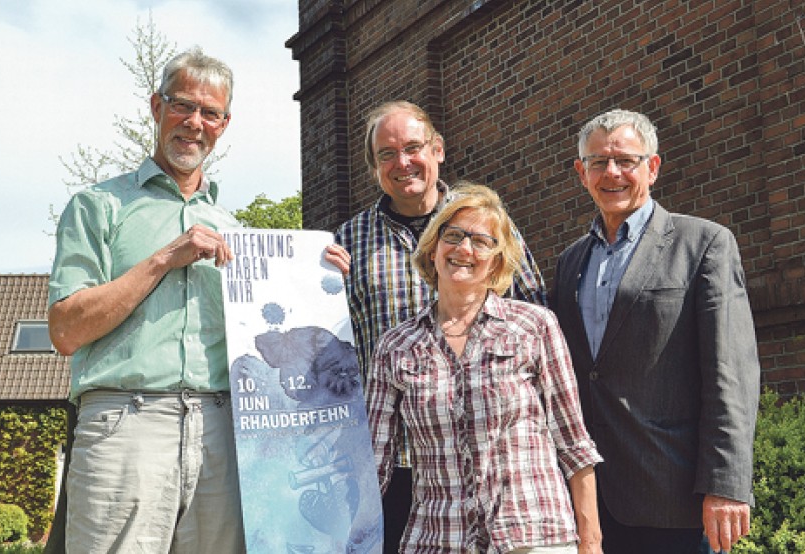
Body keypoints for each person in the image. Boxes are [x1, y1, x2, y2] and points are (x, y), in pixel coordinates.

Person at [325, 100, 547, 552]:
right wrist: (314, 279)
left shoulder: (490, 226)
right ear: (374, 167)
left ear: (438, 150)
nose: (402, 163)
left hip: (492, 458)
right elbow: (328, 351)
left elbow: (535, 320)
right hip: (392, 463)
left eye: (413, 148)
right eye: (387, 154)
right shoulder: (346, 243)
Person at [48, 46, 244, 554]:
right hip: (125, 423)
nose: (195, 123)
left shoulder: (236, 230)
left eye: (210, 113)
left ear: (224, 125)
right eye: (183, 105)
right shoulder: (97, 207)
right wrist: (163, 259)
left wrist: (319, 278)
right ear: (157, 107)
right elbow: (66, 330)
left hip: (221, 428)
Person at [549, 109, 761, 554]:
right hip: (589, 500)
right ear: (581, 173)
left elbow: (730, 372)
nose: (612, 172)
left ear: (653, 167)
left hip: (674, 496)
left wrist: (726, 484)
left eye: (626, 160)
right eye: (598, 162)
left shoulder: (703, 244)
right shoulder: (570, 263)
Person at [366, 183, 603, 553]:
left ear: (497, 261)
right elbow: (373, 464)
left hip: (532, 535)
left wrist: (591, 542)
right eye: (453, 236)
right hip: (438, 538)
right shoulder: (395, 347)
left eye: (481, 241)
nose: (464, 249)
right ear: (432, 249)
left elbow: (573, 443)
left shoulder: (534, 326)